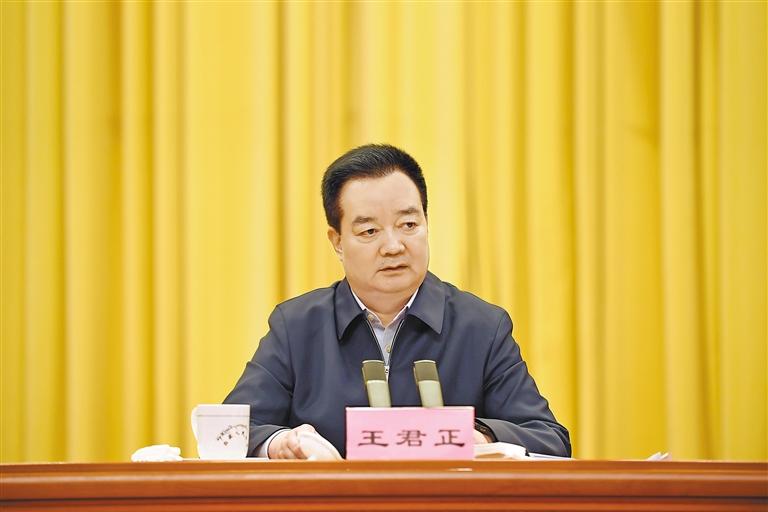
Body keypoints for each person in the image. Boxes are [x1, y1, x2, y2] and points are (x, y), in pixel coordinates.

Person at [224, 144, 570, 459]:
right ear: (337, 241)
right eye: (369, 231)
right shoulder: (297, 326)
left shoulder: (481, 327)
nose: (393, 246)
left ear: (426, 224)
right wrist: (279, 443)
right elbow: (232, 432)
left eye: (408, 224)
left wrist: (478, 435)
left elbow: (549, 438)